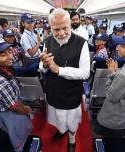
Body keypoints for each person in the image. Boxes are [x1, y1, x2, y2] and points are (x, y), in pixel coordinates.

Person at [39, 8, 90, 152]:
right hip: (54, 92)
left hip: (71, 94)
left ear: (70, 24)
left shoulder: (82, 43)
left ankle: (72, 139)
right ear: (50, 28)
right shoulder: (48, 40)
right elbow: (42, 67)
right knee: (59, 119)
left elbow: (85, 73)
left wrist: (59, 70)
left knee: (72, 121)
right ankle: (62, 131)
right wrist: (43, 65)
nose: (61, 33)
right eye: (56, 29)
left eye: (65, 28)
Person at [0, 34, 33, 152]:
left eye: (9, 51)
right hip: (8, 114)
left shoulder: (0, 68)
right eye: (2, 54)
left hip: (8, 106)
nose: (9, 56)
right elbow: (16, 108)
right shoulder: (1, 83)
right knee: (18, 136)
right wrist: (27, 110)